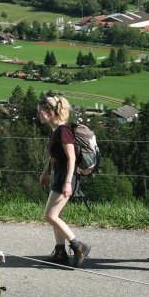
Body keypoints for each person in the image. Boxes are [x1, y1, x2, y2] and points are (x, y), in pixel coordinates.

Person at [37, 93, 90, 267]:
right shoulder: (55, 131)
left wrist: (68, 183)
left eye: (41, 112)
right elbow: (54, 156)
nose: (39, 115)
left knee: (50, 215)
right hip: (60, 175)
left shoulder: (64, 131)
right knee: (54, 215)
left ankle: (78, 245)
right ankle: (60, 253)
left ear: (50, 111)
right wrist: (46, 172)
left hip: (67, 176)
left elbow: (71, 158)